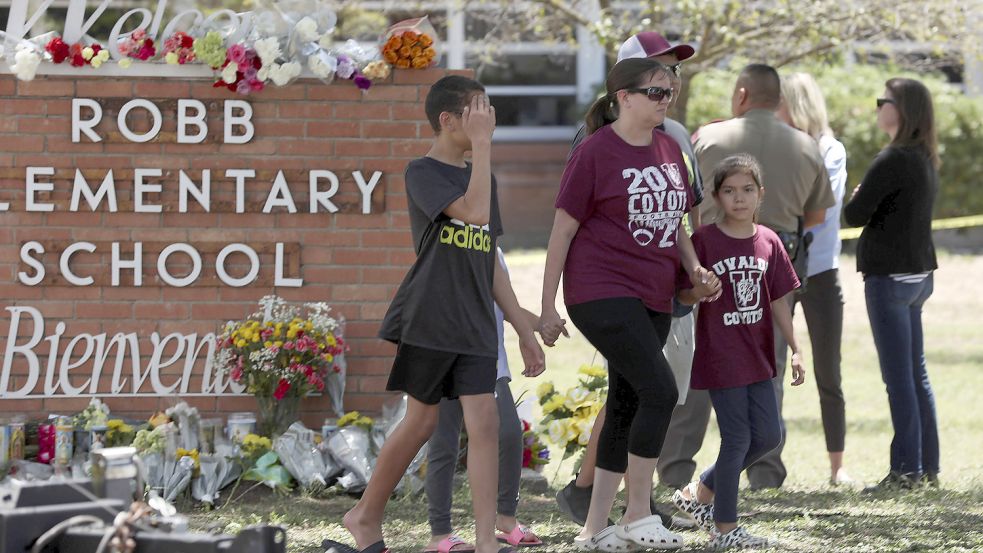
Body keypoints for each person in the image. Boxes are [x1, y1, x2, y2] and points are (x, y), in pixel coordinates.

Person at [327, 76, 546, 553]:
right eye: (477, 111)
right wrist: (484, 150)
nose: (488, 120)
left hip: (474, 321)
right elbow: (472, 215)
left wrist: (523, 328)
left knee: (484, 422)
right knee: (422, 423)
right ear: (448, 121)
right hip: (430, 316)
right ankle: (364, 515)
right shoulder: (421, 172)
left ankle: (487, 540)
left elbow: (489, 258)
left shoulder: (484, 175)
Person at [539, 58, 720, 551]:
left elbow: (677, 222)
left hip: (655, 291)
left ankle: (594, 530)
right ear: (624, 96)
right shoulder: (596, 152)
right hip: (599, 289)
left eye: (670, 91)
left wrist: (694, 270)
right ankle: (638, 514)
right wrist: (547, 303)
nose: (667, 99)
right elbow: (563, 228)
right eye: (656, 92)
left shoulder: (668, 146)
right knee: (659, 390)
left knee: (625, 401)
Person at [660, 64, 835, 491]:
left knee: (698, 363)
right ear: (778, 100)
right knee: (767, 367)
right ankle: (766, 471)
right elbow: (815, 215)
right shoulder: (807, 146)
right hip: (771, 263)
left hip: (708, 265)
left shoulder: (709, 137)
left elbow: (684, 198)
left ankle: (677, 469)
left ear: (741, 94)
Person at [673, 154, 805, 549]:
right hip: (721, 353)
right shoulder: (704, 242)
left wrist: (796, 349)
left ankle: (700, 494)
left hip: (759, 355)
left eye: (747, 189)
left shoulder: (769, 241)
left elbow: (780, 298)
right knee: (737, 438)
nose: (739, 198)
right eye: (729, 190)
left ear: (760, 194)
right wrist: (700, 289)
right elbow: (682, 295)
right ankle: (725, 530)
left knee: (767, 436)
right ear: (716, 197)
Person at [843, 78, 940, 492]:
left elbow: (853, 214)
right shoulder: (923, 155)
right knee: (915, 375)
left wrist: (859, 193)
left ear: (901, 110)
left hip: (891, 280)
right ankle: (927, 467)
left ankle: (906, 471)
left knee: (899, 378)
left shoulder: (893, 158)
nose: (878, 105)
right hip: (919, 277)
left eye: (884, 100)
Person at [424, 248, 543, 553]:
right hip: (445, 353)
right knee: (443, 441)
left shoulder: (495, 248)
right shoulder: (448, 238)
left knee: (509, 433)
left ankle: (505, 518)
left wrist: (535, 326)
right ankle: (440, 532)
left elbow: (504, 302)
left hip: (487, 359)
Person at [777, 72, 852, 485]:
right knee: (769, 369)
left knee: (828, 371)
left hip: (821, 270)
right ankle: (768, 465)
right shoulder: (783, 147)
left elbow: (819, 207)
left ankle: (836, 467)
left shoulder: (830, 149)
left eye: (781, 102)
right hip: (780, 270)